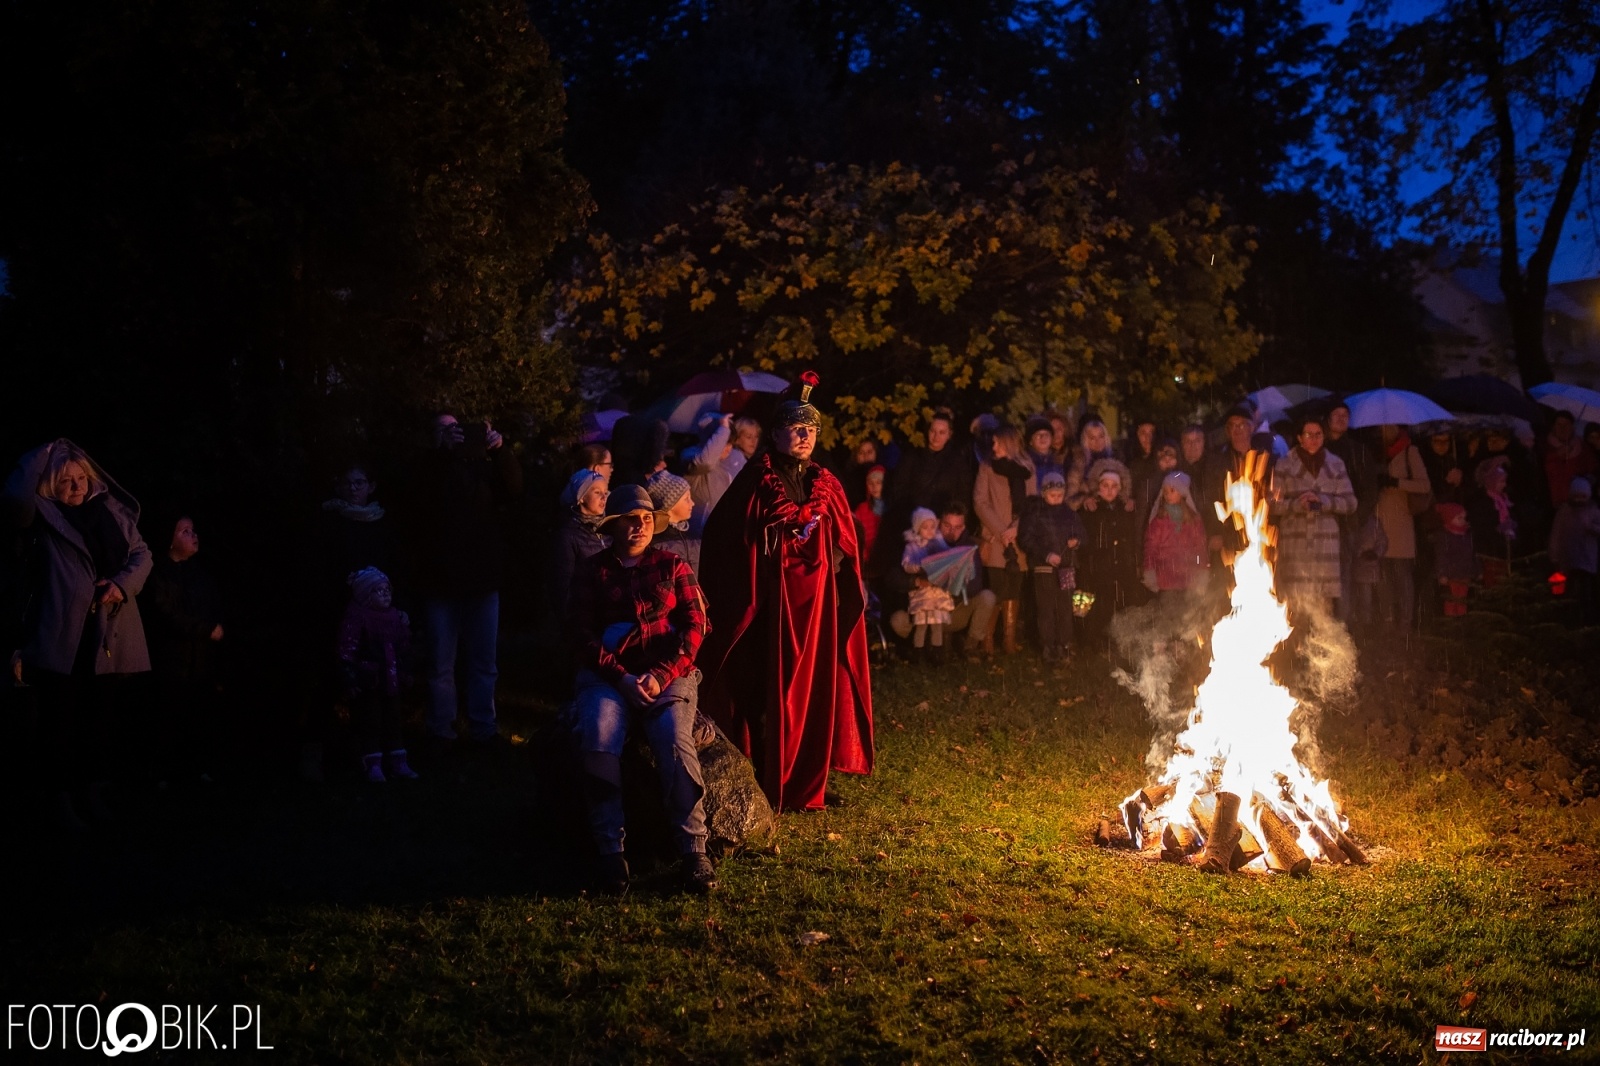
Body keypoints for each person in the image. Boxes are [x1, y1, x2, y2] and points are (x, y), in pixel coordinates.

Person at [698, 373, 874, 812]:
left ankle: (806, 783)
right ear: (775, 434)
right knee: (765, 698)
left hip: (815, 612)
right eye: (795, 428)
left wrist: (836, 565)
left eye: (810, 429)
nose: (803, 435)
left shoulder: (825, 483)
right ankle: (766, 782)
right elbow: (726, 542)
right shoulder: (755, 483)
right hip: (769, 612)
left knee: (812, 695)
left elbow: (845, 542)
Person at [570, 485, 716, 894]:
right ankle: (610, 854)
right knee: (599, 736)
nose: (639, 526)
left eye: (647, 518)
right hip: (608, 678)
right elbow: (580, 634)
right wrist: (620, 677)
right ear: (613, 526)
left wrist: (660, 674)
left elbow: (695, 626)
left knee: (673, 737)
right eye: (630, 520)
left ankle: (693, 850)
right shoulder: (592, 571)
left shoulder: (673, 566)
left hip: (666, 676)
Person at [3, 440, 153, 830]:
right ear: (52, 484)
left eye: (82, 477)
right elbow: (15, 497)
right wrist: (43, 451)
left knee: (96, 720)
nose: (77, 486)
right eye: (66, 480)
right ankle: (60, 799)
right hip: (61, 634)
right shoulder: (42, 514)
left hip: (107, 634)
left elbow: (143, 555)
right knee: (59, 723)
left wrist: (121, 584)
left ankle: (91, 792)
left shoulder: (110, 513)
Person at [409, 413, 523, 743]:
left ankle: (482, 728)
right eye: (445, 429)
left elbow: (514, 489)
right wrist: (444, 454)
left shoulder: (483, 468)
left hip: (482, 579)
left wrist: (501, 451)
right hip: (441, 581)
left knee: (484, 662)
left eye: (457, 429)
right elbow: (424, 497)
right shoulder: (429, 466)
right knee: (441, 663)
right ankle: (440, 728)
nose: (454, 434)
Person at [143, 514, 225, 784]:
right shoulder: (159, 573)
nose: (193, 535)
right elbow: (165, 613)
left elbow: (213, 608)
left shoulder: (201, 575)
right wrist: (204, 629)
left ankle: (196, 767)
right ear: (170, 539)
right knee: (168, 715)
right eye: (185, 531)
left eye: (193, 530)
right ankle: (161, 771)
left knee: (198, 714)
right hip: (171, 661)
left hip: (199, 661)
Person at [885, 503, 998, 657]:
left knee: (987, 597)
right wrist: (916, 582)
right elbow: (893, 577)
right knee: (898, 620)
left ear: (964, 527)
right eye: (947, 525)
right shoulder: (918, 544)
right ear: (938, 522)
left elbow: (976, 585)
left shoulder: (968, 548)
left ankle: (970, 646)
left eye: (958, 527)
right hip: (923, 608)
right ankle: (920, 646)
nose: (952, 531)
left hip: (951, 611)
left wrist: (951, 582)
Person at [1269, 418, 1356, 617]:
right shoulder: (1284, 465)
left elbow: (1351, 503)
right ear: (1299, 438)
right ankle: (1296, 644)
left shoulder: (1335, 464)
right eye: (1309, 434)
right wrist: (1297, 505)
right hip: (1295, 542)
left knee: (1323, 605)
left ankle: (1323, 645)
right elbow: (1272, 504)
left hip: (1325, 544)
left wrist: (1325, 502)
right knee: (1296, 603)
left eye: (1318, 434)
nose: (1314, 439)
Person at [337, 567, 418, 783]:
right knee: (370, 721)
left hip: (391, 681)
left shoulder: (395, 618)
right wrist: (350, 677)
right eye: (378, 590)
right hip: (369, 682)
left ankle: (398, 761)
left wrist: (405, 671)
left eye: (387, 589)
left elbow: (404, 646)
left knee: (393, 720)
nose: (385, 594)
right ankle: (372, 763)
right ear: (365, 594)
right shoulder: (357, 618)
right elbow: (347, 649)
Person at [974, 423, 1036, 654]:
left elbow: (1032, 502)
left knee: (1014, 588)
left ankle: (1009, 640)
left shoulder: (1026, 468)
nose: (994, 446)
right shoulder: (987, 467)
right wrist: (1002, 531)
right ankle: (987, 638)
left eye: (998, 442)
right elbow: (980, 502)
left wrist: (1016, 528)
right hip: (995, 537)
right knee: (996, 587)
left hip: (1018, 538)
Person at [1018, 471, 1085, 662]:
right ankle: (1047, 645)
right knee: (1046, 608)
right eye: (1052, 495)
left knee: (1065, 608)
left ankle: (1063, 644)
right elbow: (1025, 539)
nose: (1056, 499)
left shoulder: (1069, 514)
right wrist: (1046, 555)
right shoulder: (1035, 513)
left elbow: (1082, 534)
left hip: (1065, 569)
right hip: (1044, 569)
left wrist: (1076, 541)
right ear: (1044, 493)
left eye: (1060, 495)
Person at [1324, 401, 1381, 622]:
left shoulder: (1358, 451)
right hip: (1320, 523)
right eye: (1336, 414)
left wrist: (1356, 518)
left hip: (1347, 523)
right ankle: (1323, 628)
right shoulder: (1319, 448)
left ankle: (1343, 627)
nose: (1340, 418)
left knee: (1344, 577)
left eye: (1345, 415)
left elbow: (1369, 489)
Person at [1373, 423, 1432, 631]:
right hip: (1378, 522)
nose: (1385, 430)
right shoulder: (1374, 451)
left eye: (1390, 426)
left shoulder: (1409, 451)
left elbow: (1424, 485)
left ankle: (1405, 622)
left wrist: (1397, 483)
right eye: (1382, 427)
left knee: (1401, 575)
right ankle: (1387, 620)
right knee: (1381, 575)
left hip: (1400, 523)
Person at [1078, 460, 1141, 647]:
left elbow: (1129, 535)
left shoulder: (1125, 509)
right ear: (1098, 487)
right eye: (1105, 486)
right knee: (1096, 602)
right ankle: (1091, 639)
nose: (1109, 490)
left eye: (1114, 486)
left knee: (1118, 601)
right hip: (1096, 565)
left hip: (1120, 563)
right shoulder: (1090, 509)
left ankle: (1117, 639)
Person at [1141, 470, 1208, 609]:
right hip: (1166, 580)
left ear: (1182, 493)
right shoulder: (1159, 521)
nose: (1168, 495)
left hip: (1189, 580)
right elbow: (1150, 548)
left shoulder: (1193, 521)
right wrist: (1150, 571)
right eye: (1165, 491)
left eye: (1172, 490)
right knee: (1168, 619)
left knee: (1188, 619)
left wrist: (1200, 568)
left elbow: (1199, 548)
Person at [681, 413, 742, 555]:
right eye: (723, 441)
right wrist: (723, 429)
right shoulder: (690, 455)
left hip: (727, 536)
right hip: (697, 538)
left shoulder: (735, 458)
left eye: (730, 442)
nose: (727, 447)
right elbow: (705, 462)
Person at [900, 507, 955, 662]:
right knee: (922, 624)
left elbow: (947, 558)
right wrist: (919, 567)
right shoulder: (912, 547)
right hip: (923, 593)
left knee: (937, 624)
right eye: (925, 527)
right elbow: (906, 564)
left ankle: (937, 653)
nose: (930, 531)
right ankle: (918, 653)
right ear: (917, 528)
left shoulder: (939, 543)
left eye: (932, 526)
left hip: (937, 592)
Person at [551, 469, 609, 614]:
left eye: (605, 492)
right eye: (597, 492)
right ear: (581, 497)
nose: (604, 497)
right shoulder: (569, 535)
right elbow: (563, 583)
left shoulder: (610, 528)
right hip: (583, 611)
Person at [1549, 477, 1600, 625]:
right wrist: (1554, 555)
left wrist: (1592, 528)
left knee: (1587, 592)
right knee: (1570, 592)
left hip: (1588, 561)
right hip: (1568, 560)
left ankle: (1589, 621)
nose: (1578, 500)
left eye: (1582, 496)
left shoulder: (1593, 511)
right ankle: (1570, 621)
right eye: (1576, 496)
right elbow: (1556, 534)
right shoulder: (1564, 512)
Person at [1469, 455, 1519, 585]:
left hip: (1505, 551)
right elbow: (1482, 527)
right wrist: (1498, 531)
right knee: (1493, 582)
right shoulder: (1484, 502)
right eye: (1501, 481)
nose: (1504, 484)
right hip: (1490, 552)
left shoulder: (1504, 499)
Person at [1430, 504, 1477, 618]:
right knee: (1451, 599)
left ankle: (1461, 620)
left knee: (1462, 599)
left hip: (1465, 573)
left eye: (1463, 518)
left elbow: (1472, 554)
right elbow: (1441, 556)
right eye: (1459, 518)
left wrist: (1477, 569)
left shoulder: (1466, 535)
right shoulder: (1445, 536)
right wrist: (1442, 574)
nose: (1462, 521)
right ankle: (1450, 622)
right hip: (1451, 575)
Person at [645, 469, 697, 574]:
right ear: (670, 504)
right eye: (686, 498)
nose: (692, 503)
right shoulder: (656, 542)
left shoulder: (691, 533)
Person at [1543, 411, 1595, 508]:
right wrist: (1557, 455)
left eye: (1566, 424)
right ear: (1554, 427)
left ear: (1572, 427)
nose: (1562, 428)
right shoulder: (1545, 446)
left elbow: (1592, 469)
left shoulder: (1583, 447)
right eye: (1559, 424)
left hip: (1579, 502)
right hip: (1554, 503)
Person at [1066, 418, 1117, 510]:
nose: (1098, 441)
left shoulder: (1116, 461)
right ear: (1086, 440)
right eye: (1092, 438)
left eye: (1101, 436)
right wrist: (1084, 499)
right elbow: (1069, 500)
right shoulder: (1079, 464)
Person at [854, 465, 887, 573]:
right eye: (870, 483)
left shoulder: (892, 507)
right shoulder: (862, 509)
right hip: (868, 562)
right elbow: (858, 537)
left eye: (878, 482)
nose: (874, 486)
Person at [1025, 415, 1063, 492]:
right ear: (1030, 441)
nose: (1043, 438)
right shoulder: (1026, 464)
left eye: (1046, 435)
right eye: (1038, 435)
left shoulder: (1057, 462)